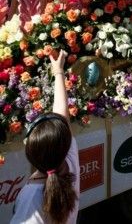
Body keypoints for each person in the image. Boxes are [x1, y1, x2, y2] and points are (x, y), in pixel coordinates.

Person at [10, 49, 80, 223]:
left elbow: (62, 119)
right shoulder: (69, 164)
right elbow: (62, 115)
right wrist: (58, 72)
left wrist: (58, 71)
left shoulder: (31, 201)